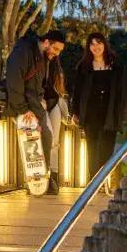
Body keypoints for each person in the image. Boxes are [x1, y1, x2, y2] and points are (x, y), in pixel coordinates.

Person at [4, 29, 66, 194]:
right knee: (36, 143)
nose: (57, 53)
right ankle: (36, 184)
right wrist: (23, 110)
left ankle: (41, 184)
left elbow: (36, 86)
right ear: (46, 43)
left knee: (44, 141)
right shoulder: (24, 52)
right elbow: (14, 79)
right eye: (56, 49)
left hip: (35, 107)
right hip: (26, 109)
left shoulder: (40, 56)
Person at [70, 32, 127, 189]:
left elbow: (124, 90)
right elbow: (77, 92)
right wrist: (75, 112)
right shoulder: (84, 67)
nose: (96, 47)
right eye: (92, 44)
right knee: (92, 147)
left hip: (109, 112)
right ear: (88, 47)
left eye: (99, 43)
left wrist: (123, 111)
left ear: (105, 44)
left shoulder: (116, 65)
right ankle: (93, 184)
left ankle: (103, 182)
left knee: (107, 148)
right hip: (90, 112)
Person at [43, 57, 69, 193]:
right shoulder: (39, 60)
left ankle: (52, 178)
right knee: (50, 143)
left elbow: (59, 89)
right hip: (45, 104)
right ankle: (48, 178)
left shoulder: (55, 64)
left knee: (53, 143)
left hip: (52, 104)